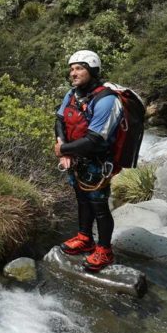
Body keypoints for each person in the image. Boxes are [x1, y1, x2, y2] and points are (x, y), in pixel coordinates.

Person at [54, 49, 125, 272]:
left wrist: (63, 149)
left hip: (98, 162)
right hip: (76, 160)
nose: (73, 73)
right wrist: (64, 149)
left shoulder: (107, 100)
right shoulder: (72, 94)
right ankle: (85, 238)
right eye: (71, 69)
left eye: (79, 68)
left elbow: (95, 139)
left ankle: (105, 250)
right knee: (82, 200)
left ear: (92, 71)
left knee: (99, 206)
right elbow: (59, 120)